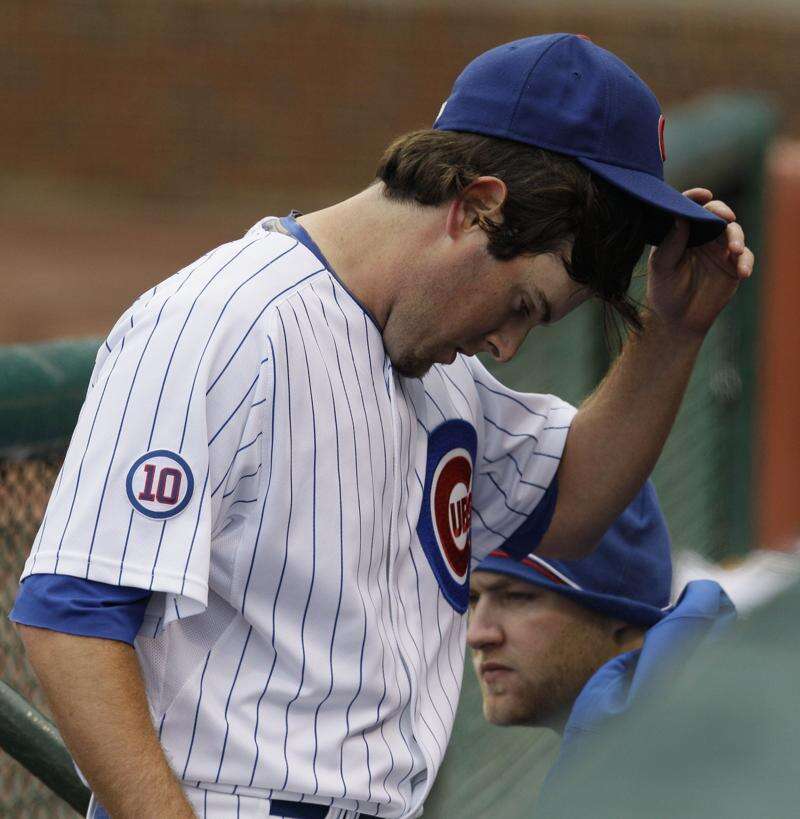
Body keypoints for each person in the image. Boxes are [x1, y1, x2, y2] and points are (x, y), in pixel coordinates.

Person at [10, 33, 751, 819]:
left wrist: (673, 334)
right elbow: (72, 618)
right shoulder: (222, 324)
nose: (506, 345)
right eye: (520, 305)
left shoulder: (441, 370)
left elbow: (568, 509)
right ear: (477, 206)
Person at [467, 480, 736, 810]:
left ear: (622, 620)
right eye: (472, 599)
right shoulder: (655, 749)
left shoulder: (670, 785)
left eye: (517, 597)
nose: (476, 634)